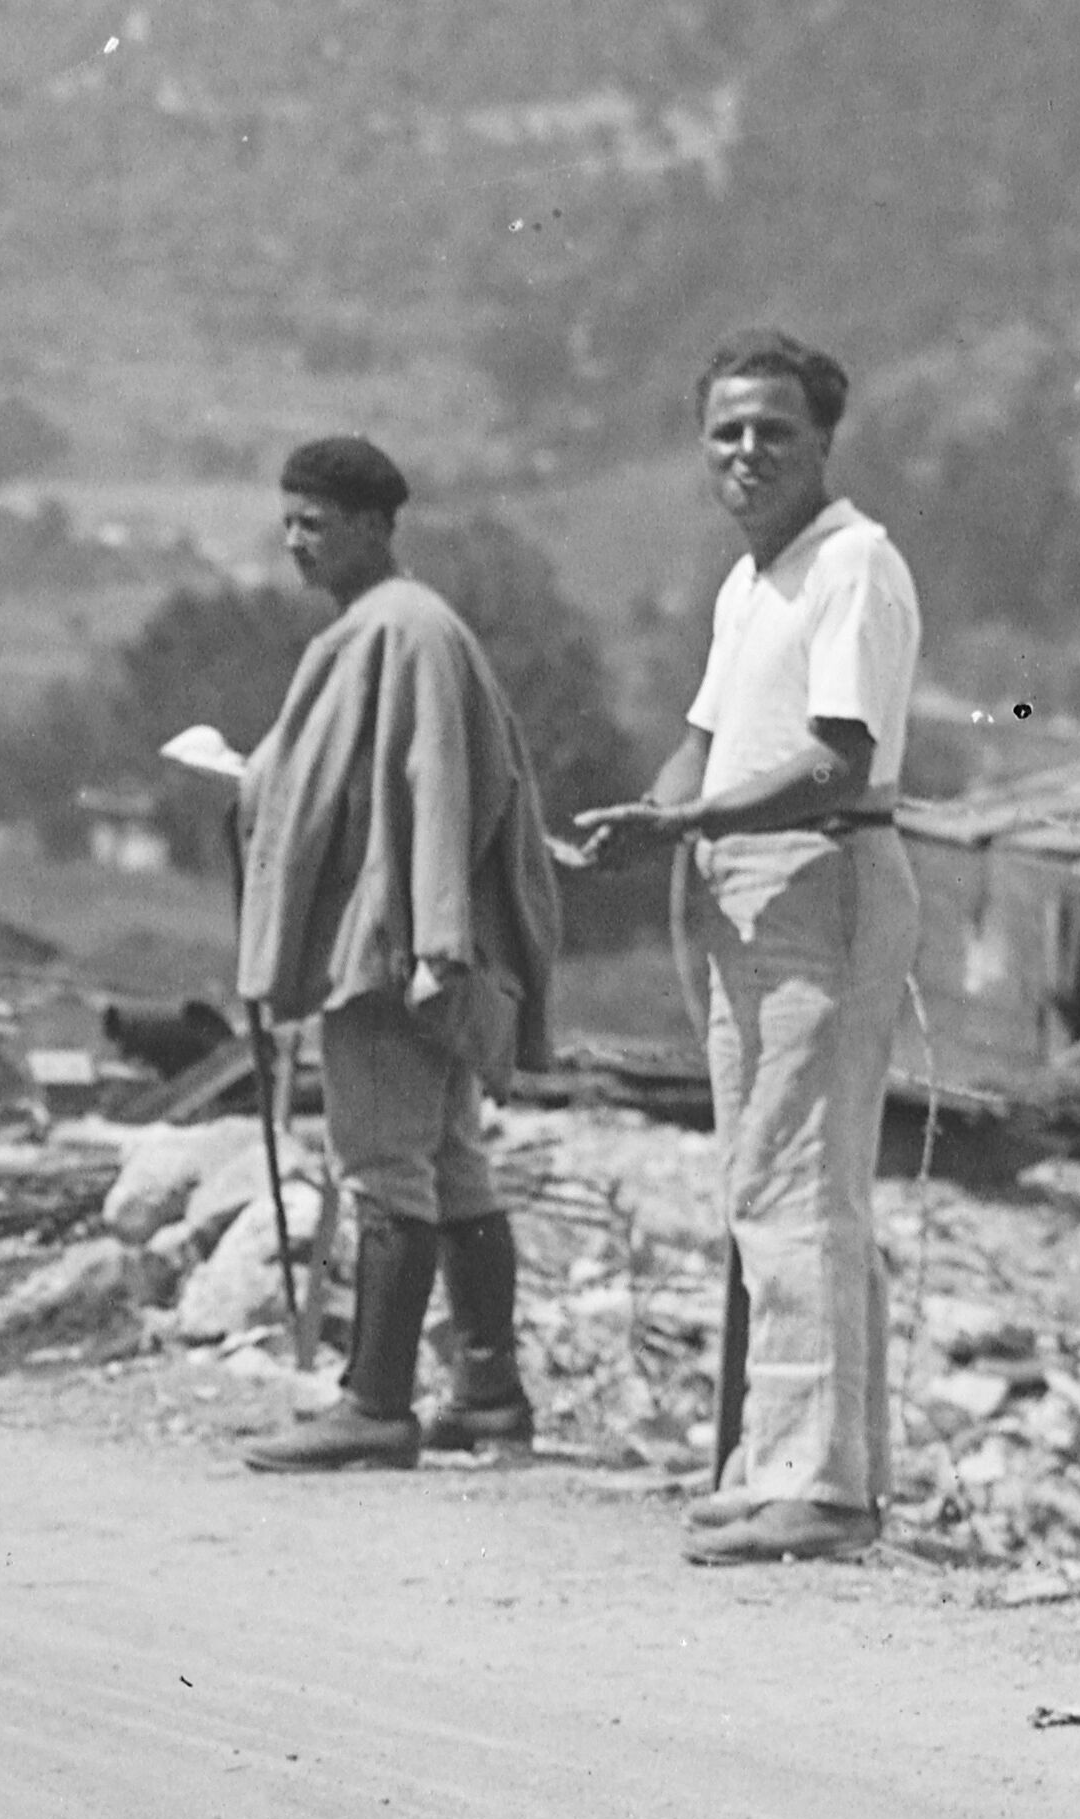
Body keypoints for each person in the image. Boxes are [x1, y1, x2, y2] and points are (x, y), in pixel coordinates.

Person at [566, 329, 927, 1564]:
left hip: (817, 874)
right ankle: (799, 1464)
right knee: (768, 1180)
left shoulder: (852, 566)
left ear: (823, 439)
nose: (746, 451)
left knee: (796, 1185)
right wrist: (642, 827)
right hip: (742, 884)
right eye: (725, 430)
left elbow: (838, 756)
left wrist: (691, 819)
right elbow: (704, 742)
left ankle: (815, 1488)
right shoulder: (749, 582)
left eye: (773, 429)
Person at [225, 431, 561, 1475]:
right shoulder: (392, 628)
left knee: (380, 1168)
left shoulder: (400, 632)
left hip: (387, 946)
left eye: (314, 524)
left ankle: (374, 1402)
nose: (294, 543)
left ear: (375, 525)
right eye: (286, 522)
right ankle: (488, 1393)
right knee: (449, 1164)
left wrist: (436, 942)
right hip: (405, 935)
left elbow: (440, 788)